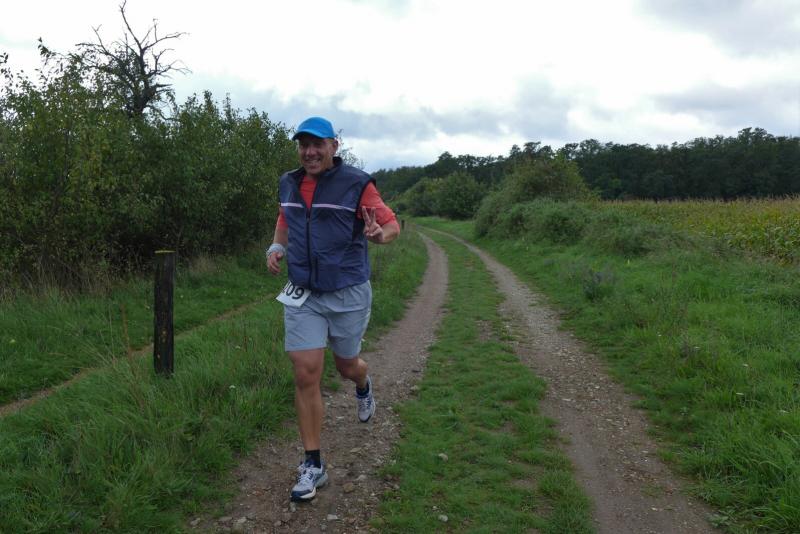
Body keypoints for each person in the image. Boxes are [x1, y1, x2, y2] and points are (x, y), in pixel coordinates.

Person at [266, 116, 400, 502]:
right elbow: (285, 217)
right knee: (305, 371)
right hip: (304, 292)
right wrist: (277, 246)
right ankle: (313, 464)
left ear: (333, 147)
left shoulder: (356, 183)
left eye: (317, 144)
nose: (310, 152)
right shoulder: (289, 182)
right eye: (303, 145)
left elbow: (391, 225)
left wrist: (379, 235)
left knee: (346, 366)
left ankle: (363, 382)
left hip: (347, 292)